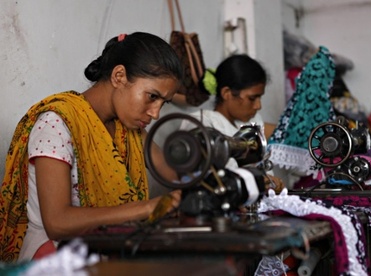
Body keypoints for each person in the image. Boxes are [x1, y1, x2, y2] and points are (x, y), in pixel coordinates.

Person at [0, 32, 183, 263]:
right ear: (119, 76)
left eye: (163, 103)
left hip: (104, 254)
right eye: (152, 96)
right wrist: (146, 208)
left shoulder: (130, 131)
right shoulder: (57, 123)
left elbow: (176, 175)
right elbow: (57, 222)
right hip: (57, 260)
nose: (155, 113)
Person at [179, 54, 283, 192]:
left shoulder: (253, 122)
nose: (258, 106)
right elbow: (205, 179)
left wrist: (271, 182)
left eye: (260, 98)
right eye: (252, 98)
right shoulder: (201, 123)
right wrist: (255, 182)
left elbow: (263, 167)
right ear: (226, 93)